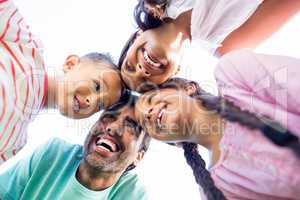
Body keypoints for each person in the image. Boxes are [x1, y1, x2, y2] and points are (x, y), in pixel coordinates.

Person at [134, 50, 300, 199]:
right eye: (144, 123)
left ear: (187, 88)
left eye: (151, 99)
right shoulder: (217, 188)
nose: (148, 113)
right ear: (175, 143)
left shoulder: (234, 74)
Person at [0, 0, 123, 164]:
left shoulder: (16, 141)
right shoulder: (28, 48)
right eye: (96, 86)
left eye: (100, 105)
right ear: (71, 64)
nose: (91, 100)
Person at [118, 0, 300, 91]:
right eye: (147, 83)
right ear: (175, 73)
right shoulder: (229, 44)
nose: (142, 71)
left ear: (137, 37)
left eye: (130, 66)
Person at [0, 94, 150, 200]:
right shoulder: (53, 153)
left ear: (139, 156)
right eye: (108, 117)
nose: (113, 127)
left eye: (131, 126)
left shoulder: (133, 194)